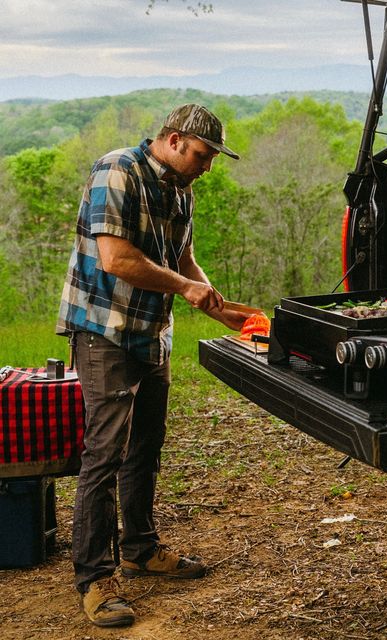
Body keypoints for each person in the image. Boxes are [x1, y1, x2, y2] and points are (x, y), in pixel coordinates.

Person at [56, 104, 252, 628]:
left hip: (151, 333)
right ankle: (95, 579)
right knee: (104, 454)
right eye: (203, 155)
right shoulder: (117, 169)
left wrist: (221, 308)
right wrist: (185, 287)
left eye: (212, 159)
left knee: (145, 445)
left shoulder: (181, 190)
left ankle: (140, 549)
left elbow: (183, 262)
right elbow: (117, 259)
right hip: (104, 330)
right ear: (174, 139)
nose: (207, 166)